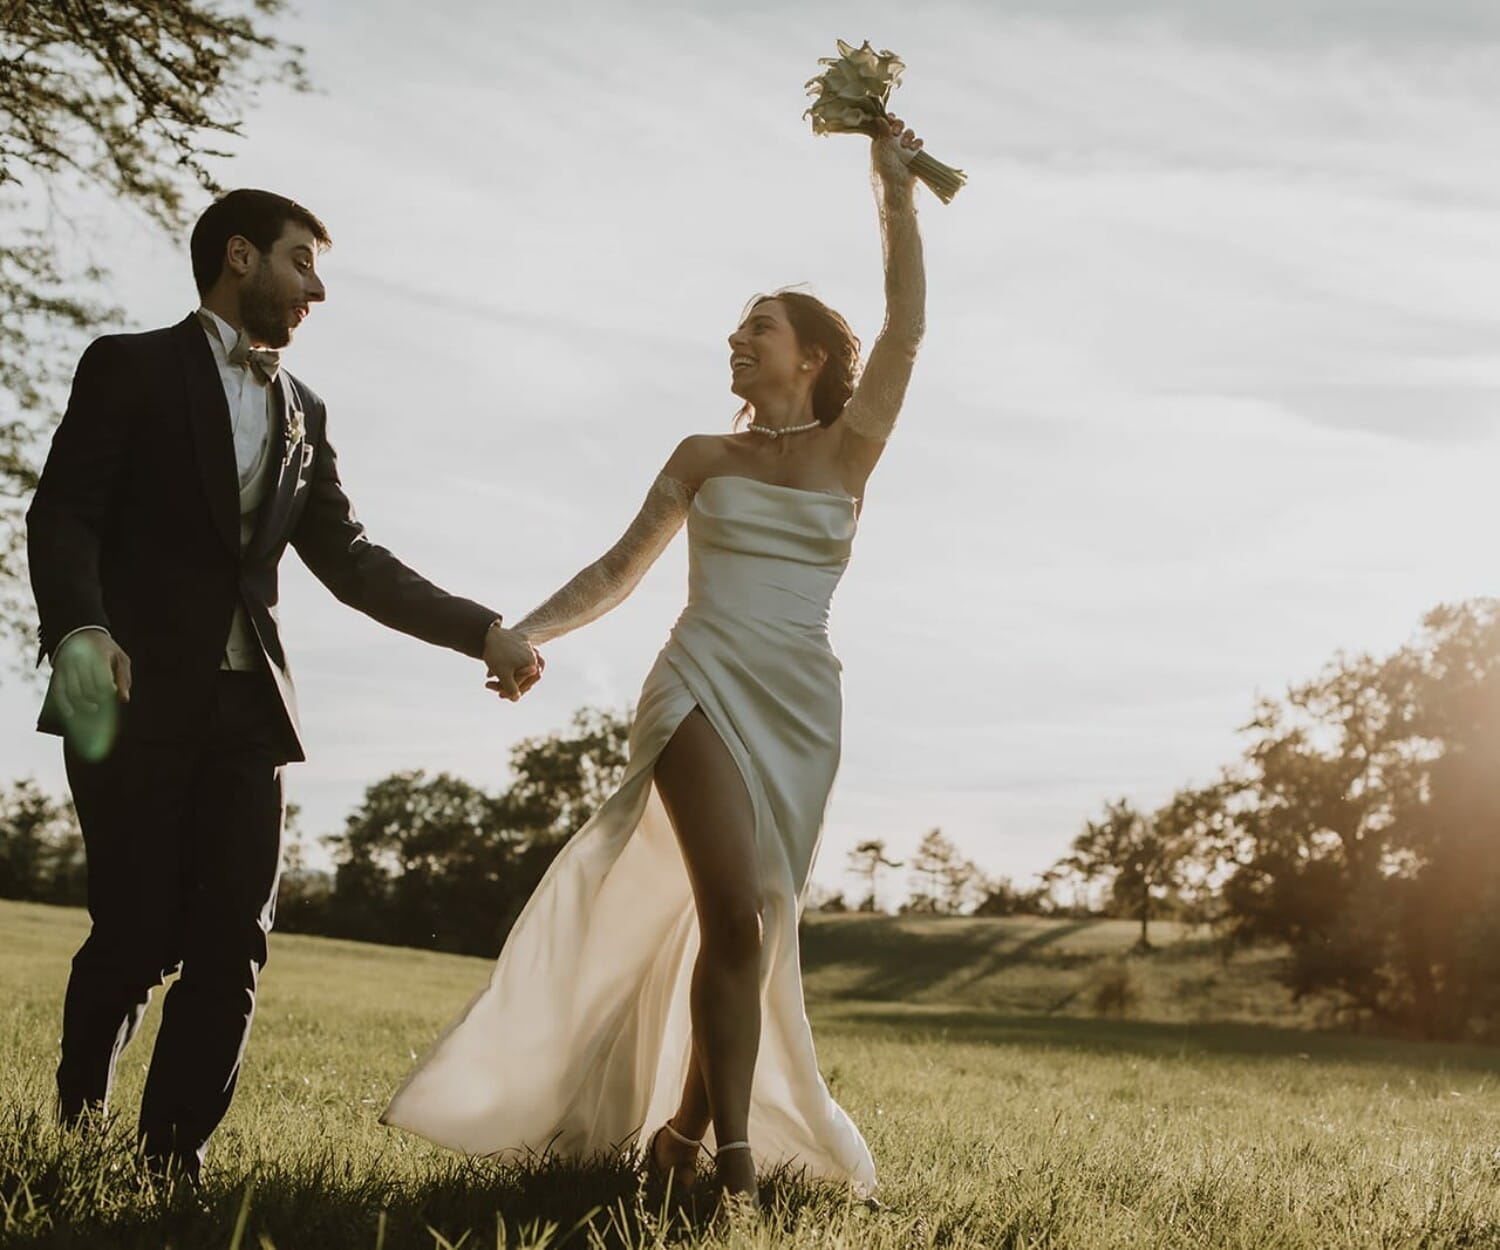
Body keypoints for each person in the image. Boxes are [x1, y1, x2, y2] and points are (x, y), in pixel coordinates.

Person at [384, 117, 926, 1208]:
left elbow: (907, 326)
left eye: (758, 328)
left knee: (750, 924)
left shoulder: (851, 446)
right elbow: (623, 567)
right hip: (697, 683)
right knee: (733, 912)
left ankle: (680, 1132)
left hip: (801, 706)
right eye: (735, 329)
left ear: (810, 354)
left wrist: (893, 186)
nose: (738, 341)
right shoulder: (700, 454)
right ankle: (729, 1168)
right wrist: (528, 627)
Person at [25, 188, 541, 1183]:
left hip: (248, 711)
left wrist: (482, 629)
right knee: (134, 932)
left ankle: (171, 1158)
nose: (318, 286)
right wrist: (83, 628)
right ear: (240, 256)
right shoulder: (128, 367)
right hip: (125, 693)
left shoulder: (305, 412)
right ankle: (77, 1110)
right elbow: (65, 512)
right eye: (303, 261)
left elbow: (351, 560)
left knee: (235, 940)